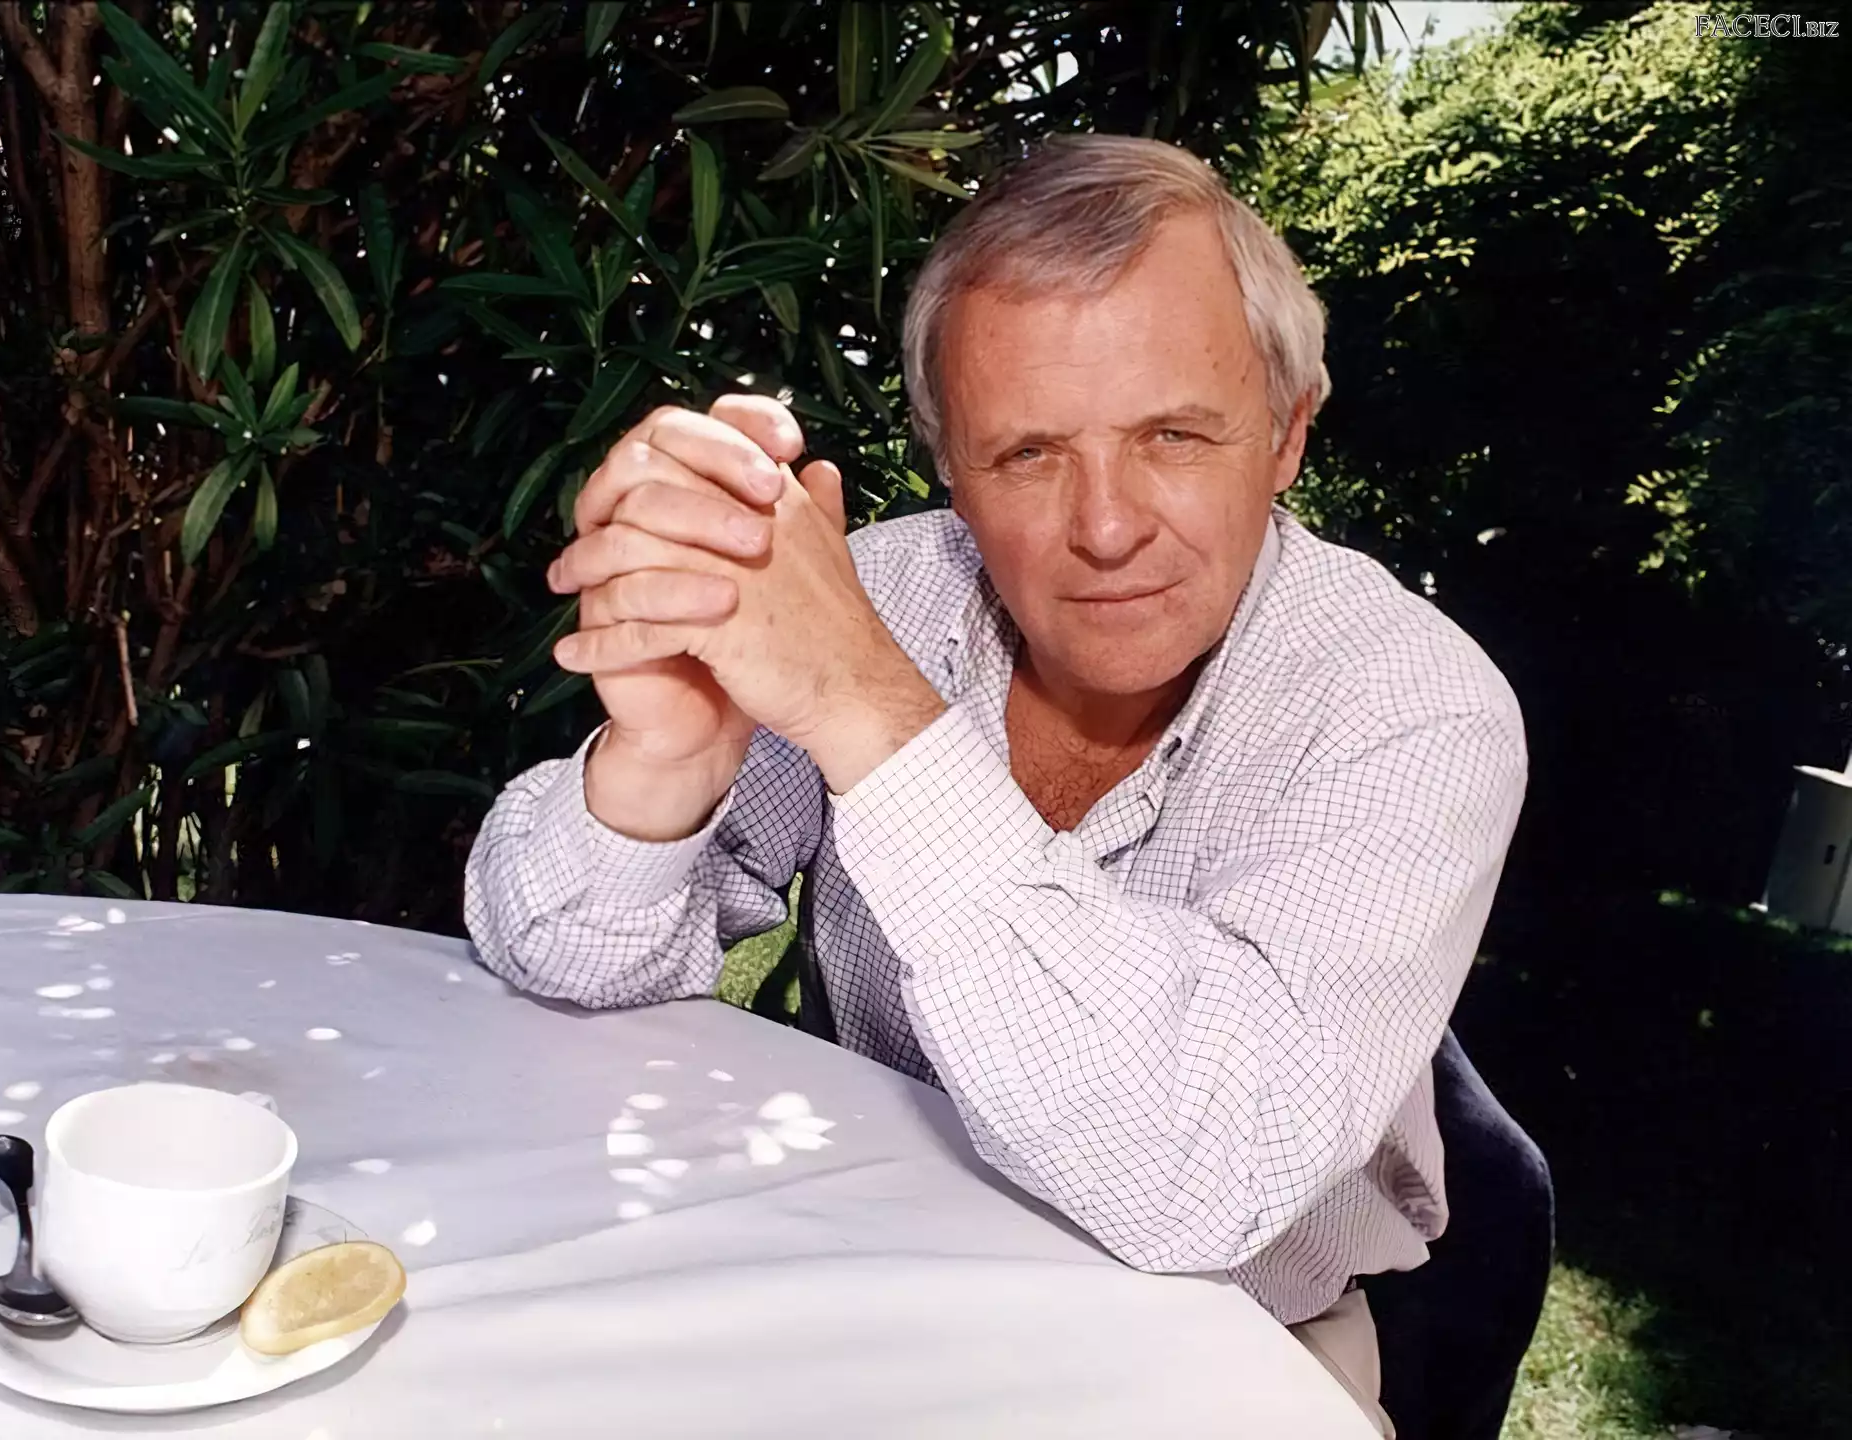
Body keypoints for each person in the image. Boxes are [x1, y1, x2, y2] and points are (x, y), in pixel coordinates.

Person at [466, 135, 1548, 1437]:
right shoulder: (888, 590)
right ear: (951, 470)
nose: (1106, 527)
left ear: (1286, 435)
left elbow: (1205, 1178)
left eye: (1174, 435)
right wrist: (665, 767)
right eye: (1029, 454)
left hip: (1229, 1346)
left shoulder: (1413, 702)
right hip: (870, 1275)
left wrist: (870, 712)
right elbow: (564, 963)